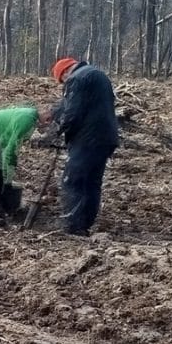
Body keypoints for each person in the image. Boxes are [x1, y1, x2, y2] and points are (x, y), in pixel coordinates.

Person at [50, 57, 119, 236]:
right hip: (106, 137)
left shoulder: (76, 79)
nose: (63, 83)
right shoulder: (98, 75)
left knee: (73, 180)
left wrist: (57, 131)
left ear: (65, 72)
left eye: (61, 80)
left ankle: (73, 225)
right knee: (92, 182)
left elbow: (72, 112)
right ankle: (85, 223)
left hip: (87, 139)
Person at [0, 106, 54, 217]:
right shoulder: (26, 120)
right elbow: (11, 148)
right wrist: (10, 169)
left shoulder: (31, 119)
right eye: (49, 119)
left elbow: (9, 144)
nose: (48, 123)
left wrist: (6, 170)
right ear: (46, 112)